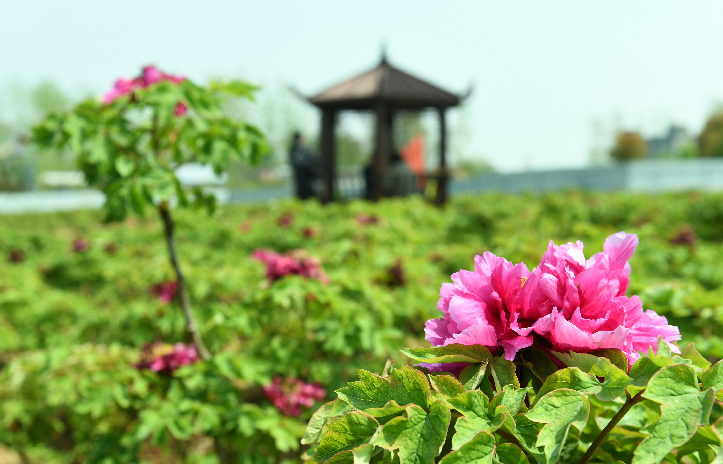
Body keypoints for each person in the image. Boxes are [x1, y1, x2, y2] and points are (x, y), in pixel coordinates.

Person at [289, 132, 319, 200]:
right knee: (308, 196)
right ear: (299, 139)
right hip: (305, 179)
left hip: (301, 178)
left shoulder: (294, 150)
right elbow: (305, 163)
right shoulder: (300, 150)